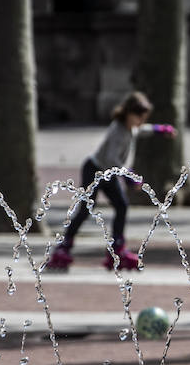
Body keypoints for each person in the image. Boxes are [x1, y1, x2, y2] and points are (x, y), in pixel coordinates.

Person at [47, 91, 176, 271]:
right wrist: (129, 176)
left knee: (122, 206)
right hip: (94, 170)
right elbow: (112, 159)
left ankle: (117, 249)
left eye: (143, 118)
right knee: (85, 210)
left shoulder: (132, 127)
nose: (141, 121)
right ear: (129, 113)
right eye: (139, 117)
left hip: (109, 174)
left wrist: (160, 130)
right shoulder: (118, 129)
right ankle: (63, 248)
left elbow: (143, 130)